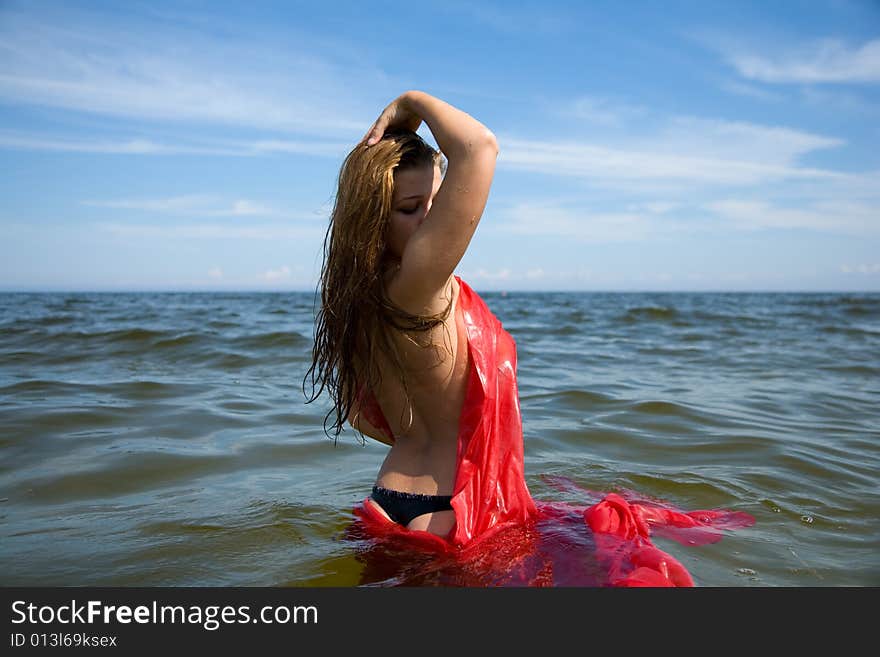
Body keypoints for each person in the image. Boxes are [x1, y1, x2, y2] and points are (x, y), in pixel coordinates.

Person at [304, 90, 535, 543]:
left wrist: (424, 430)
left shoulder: (357, 296)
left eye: (436, 201)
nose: (432, 220)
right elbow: (478, 147)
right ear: (373, 218)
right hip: (445, 507)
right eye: (411, 209)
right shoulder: (419, 283)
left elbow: (361, 416)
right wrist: (410, 103)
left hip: (384, 500)